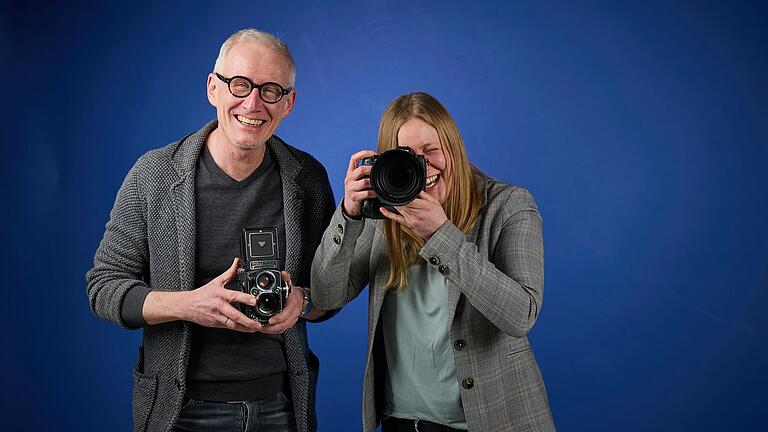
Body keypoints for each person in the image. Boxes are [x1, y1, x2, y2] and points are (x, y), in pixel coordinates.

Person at [86, 29, 335, 432]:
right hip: (182, 409)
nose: (253, 102)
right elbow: (103, 288)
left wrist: (302, 300)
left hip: (281, 405)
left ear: (288, 103)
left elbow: (329, 291)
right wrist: (188, 305)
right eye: (240, 85)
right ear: (212, 89)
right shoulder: (155, 175)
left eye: (270, 90)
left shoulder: (306, 178)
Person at [311, 92, 555, 431]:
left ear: (453, 148)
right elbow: (326, 296)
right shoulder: (382, 216)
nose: (423, 166)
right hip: (403, 423)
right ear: (386, 160)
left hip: (492, 421)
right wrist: (349, 214)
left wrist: (440, 234)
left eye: (431, 151)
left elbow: (521, 315)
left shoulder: (509, 206)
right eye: (407, 156)